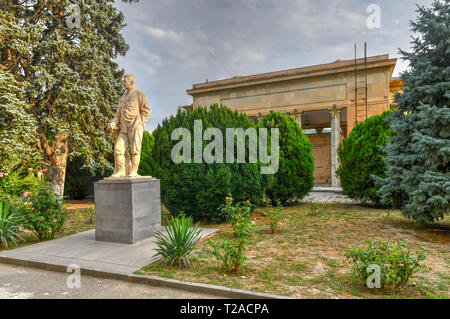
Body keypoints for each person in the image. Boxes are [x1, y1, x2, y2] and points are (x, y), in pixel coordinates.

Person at [108, 74, 152, 178]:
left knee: (135, 150)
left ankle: (134, 171)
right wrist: (114, 122)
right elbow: (117, 115)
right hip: (123, 128)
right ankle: (121, 171)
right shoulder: (122, 98)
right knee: (118, 149)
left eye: (125, 81)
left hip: (135, 127)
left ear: (131, 82)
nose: (123, 83)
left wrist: (140, 122)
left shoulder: (140, 94)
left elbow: (147, 110)